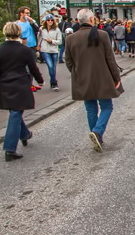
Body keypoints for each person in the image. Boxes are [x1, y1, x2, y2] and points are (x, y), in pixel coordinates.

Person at [65, 9, 123, 152]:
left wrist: (77, 73)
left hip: (83, 79)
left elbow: (68, 62)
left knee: (90, 108)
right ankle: (97, 132)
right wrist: (116, 77)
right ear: (92, 20)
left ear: (78, 21)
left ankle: (97, 136)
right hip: (102, 77)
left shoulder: (70, 38)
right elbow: (110, 59)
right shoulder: (101, 35)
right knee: (107, 107)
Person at [0, 22, 44, 161]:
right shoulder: (25, 50)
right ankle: (10, 149)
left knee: (15, 112)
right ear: (18, 33)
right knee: (16, 113)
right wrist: (40, 80)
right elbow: (33, 67)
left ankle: (24, 134)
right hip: (21, 84)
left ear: (5, 32)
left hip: (5, 85)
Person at [38, 14, 62, 91]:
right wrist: (38, 45)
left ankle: (52, 81)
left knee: (53, 67)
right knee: (50, 66)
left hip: (54, 50)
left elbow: (60, 41)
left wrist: (52, 41)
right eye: (48, 20)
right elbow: (39, 38)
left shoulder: (57, 29)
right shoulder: (42, 29)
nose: (50, 21)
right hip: (45, 50)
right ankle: (54, 83)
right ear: (46, 21)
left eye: (51, 20)